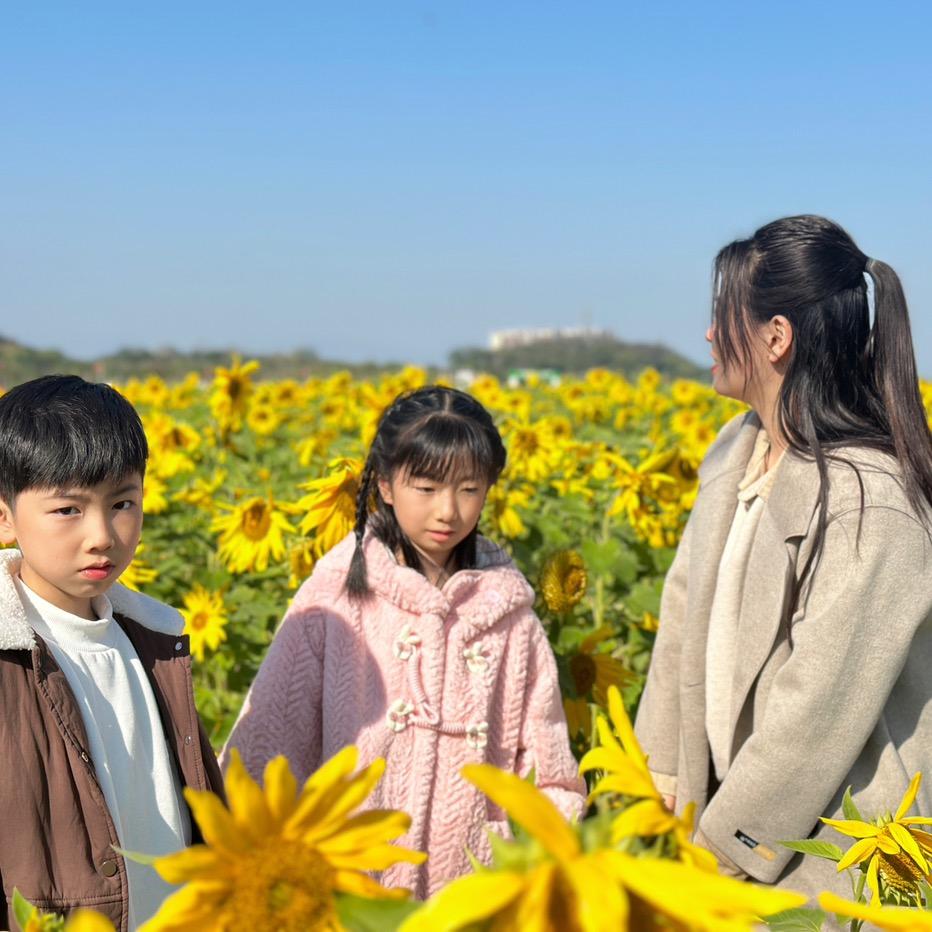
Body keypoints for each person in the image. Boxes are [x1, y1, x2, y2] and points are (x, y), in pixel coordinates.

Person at [635, 215, 932, 901]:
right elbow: (681, 627)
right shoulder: (736, 453)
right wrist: (653, 798)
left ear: (776, 337)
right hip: (721, 833)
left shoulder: (869, 503)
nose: (709, 333)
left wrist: (718, 853)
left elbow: (816, 713)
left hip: (836, 860)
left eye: (721, 316)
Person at [223, 385, 585, 898]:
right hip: (344, 892)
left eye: (469, 489)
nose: (448, 511)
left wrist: (533, 871)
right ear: (387, 485)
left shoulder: (510, 616)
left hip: (477, 899)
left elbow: (549, 775)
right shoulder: (334, 597)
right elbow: (267, 748)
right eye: (427, 488)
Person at [0, 375, 223, 932]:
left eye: (122, 503)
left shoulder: (154, 640)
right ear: (4, 515)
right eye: (68, 510)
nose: (101, 534)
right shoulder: (9, 658)